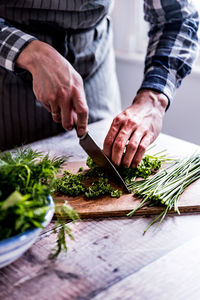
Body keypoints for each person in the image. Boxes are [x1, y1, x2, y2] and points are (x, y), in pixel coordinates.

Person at [0, 1, 199, 168]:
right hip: (7, 78)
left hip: (92, 66)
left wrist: (153, 100)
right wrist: (30, 53)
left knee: (108, 159)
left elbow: (176, 18)